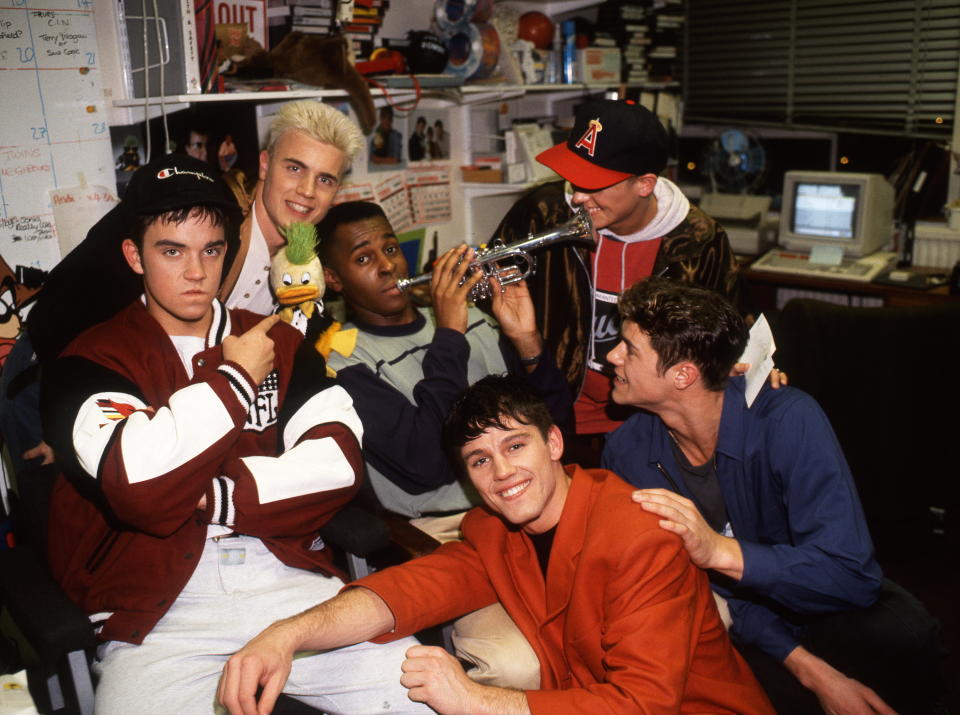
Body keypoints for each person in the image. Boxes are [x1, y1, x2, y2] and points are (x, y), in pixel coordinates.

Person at [39, 156, 430, 714]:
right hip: (157, 609)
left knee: (425, 695)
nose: (196, 272)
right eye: (171, 250)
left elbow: (338, 463)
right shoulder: (87, 361)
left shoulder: (283, 343)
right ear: (134, 255)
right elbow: (140, 487)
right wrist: (235, 378)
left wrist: (208, 493)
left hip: (288, 581)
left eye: (212, 250)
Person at [218, 375, 774, 715]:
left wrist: (476, 701)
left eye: (515, 445)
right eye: (480, 460)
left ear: (554, 442)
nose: (502, 471)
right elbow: (406, 592)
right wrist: (286, 634)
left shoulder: (639, 536)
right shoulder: (496, 531)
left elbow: (644, 705)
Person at [601, 276, 942, 714]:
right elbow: (692, 592)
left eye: (629, 348)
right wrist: (811, 670)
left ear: (683, 374)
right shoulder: (626, 453)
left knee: (906, 635)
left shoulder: (788, 419)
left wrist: (717, 550)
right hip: (731, 616)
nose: (610, 356)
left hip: (811, 595)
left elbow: (850, 575)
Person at [494, 99, 741, 458]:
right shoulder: (543, 213)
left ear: (644, 184)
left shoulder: (699, 242)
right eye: (574, 178)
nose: (577, 197)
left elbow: (727, 338)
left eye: (594, 185)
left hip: (651, 428)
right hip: (551, 417)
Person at [317, 200, 572, 523]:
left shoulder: (475, 319)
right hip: (449, 521)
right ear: (334, 279)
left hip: (530, 494)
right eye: (363, 258)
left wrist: (527, 342)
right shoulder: (343, 361)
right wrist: (449, 334)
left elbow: (557, 429)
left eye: (391, 249)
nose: (387, 267)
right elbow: (428, 463)